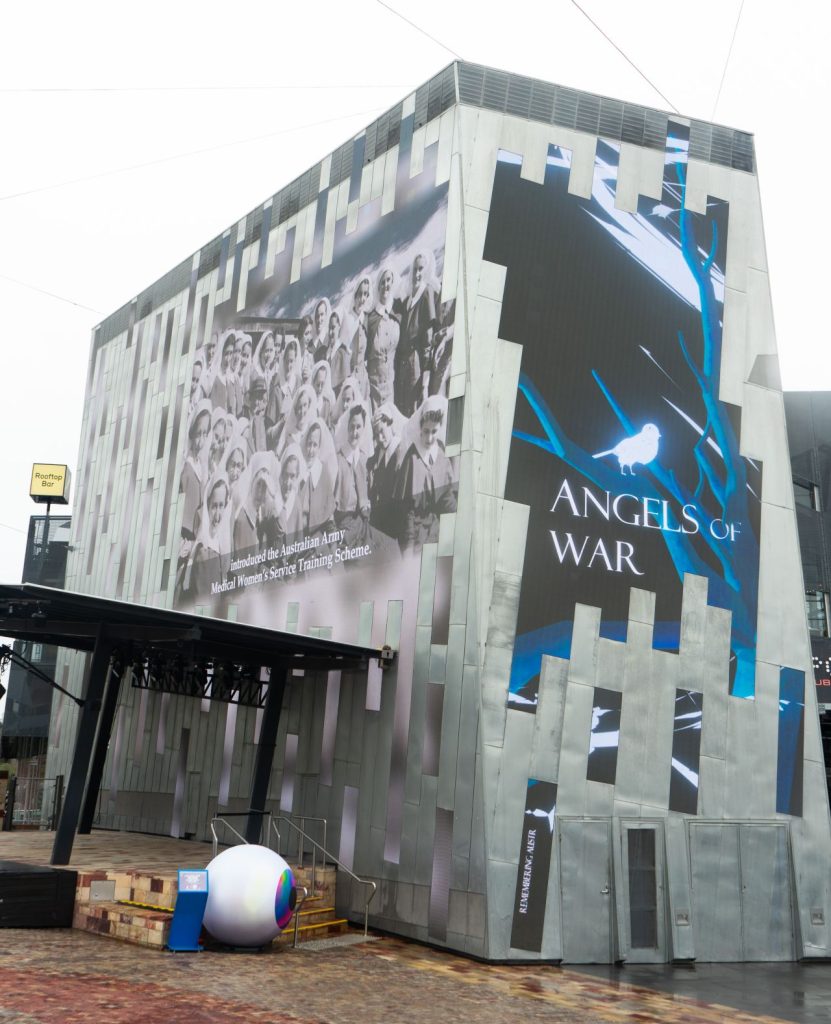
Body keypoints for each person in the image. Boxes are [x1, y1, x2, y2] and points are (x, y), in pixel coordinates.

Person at [396, 396, 457, 552]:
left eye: (434, 432)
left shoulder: (441, 456)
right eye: (426, 431)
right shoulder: (412, 458)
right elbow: (407, 511)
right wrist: (409, 546)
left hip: (435, 529)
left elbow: (446, 498)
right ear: (420, 429)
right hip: (414, 533)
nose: (429, 438)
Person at [395, 252, 439, 415]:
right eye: (415, 269)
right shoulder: (407, 300)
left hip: (416, 365)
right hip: (403, 366)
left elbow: (428, 340)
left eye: (421, 269)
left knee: (413, 411)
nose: (417, 273)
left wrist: (425, 381)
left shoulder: (426, 292)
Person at [178, 474, 233, 602]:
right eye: (214, 506)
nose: (218, 514)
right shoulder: (204, 550)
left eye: (221, 506)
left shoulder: (221, 541)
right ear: (207, 505)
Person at [367, 404, 406, 541]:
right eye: (376, 435)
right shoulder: (378, 454)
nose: (380, 438)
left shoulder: (399, 453)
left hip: (394, 522)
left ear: (390, 425)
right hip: (380, 519)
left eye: (382, 431)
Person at [233, 451, 280, 557]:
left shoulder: (258, 515)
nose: (260, 492)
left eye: (264, 487)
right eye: (258, 484)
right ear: (252, 482)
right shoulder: (243, 518)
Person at [366, 266, 400, 410]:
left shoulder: (397, 313)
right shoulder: (371, 318)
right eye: (382, 281)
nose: (386, 285)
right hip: (375, 386)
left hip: (392, 383)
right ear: (378, 286)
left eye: (388, 280)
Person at [180, 399, 212, 544]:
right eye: (199, 434)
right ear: (192, 433)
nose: (201, 440)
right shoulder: (187, 467)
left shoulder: (201, 467)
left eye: (205, 434)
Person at [300, 419, 336, 543]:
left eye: (315, 445)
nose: (311, 450)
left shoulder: (323, 472)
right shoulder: (298, 471)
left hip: (317, 539)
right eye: (309, 444)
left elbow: (329, 518)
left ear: (320, 446)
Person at [277, 444, 306, 547]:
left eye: (292, 476)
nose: (288, 482)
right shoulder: (274, 500)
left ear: (297, 476)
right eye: (285, 475)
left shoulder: (297, 504)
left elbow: (299, 542)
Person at [210, 331, 238, 416]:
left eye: (231, 353)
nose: (228, 358)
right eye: (226, 354)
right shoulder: (215, 378)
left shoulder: (230, 377)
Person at [311, 360, 336, 430]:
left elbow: (329, 427)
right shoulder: (308, 401)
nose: (320, 388)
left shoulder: (326, 404)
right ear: (313, 382)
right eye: (318, 384)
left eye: (322, 384)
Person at [298, 314, 316, 384]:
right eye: (306, 333)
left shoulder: (310, 357)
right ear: (301, 333)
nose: (309, 337)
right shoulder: (295, 352)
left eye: (310, 333)